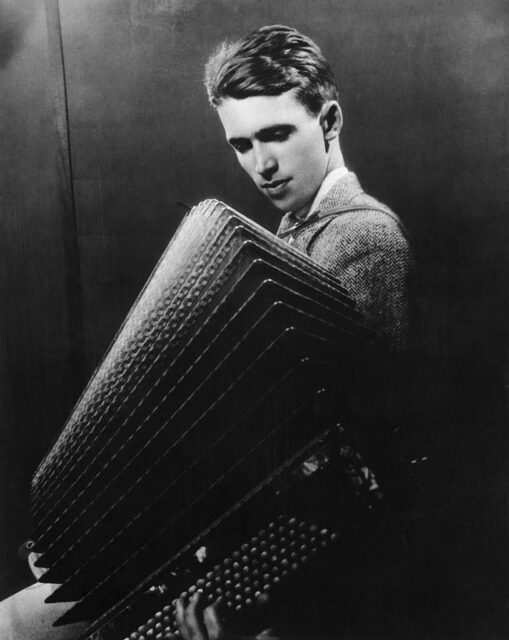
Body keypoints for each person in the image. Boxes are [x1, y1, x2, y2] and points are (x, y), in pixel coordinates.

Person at [174, 24, 413, 640]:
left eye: (277, 134)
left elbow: (365, 466)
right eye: (242, 144)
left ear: (329, 121)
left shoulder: (362, 239)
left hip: (332, 592)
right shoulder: (290, 235)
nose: (263, 164)